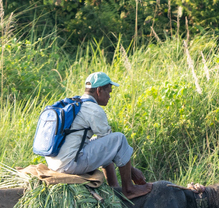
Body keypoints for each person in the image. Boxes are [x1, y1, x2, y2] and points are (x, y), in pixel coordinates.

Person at [46, 71, 151, 199]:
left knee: (105, 142)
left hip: (55, 163)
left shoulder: (75, 104)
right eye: (109, 92)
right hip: (69, 165)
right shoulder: (94, 109)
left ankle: (113, 187)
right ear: (99, 90)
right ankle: (129, 188)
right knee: (119, 138)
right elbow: (113, 143)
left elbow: (106, 144)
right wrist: (132, 171)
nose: (110, 96)